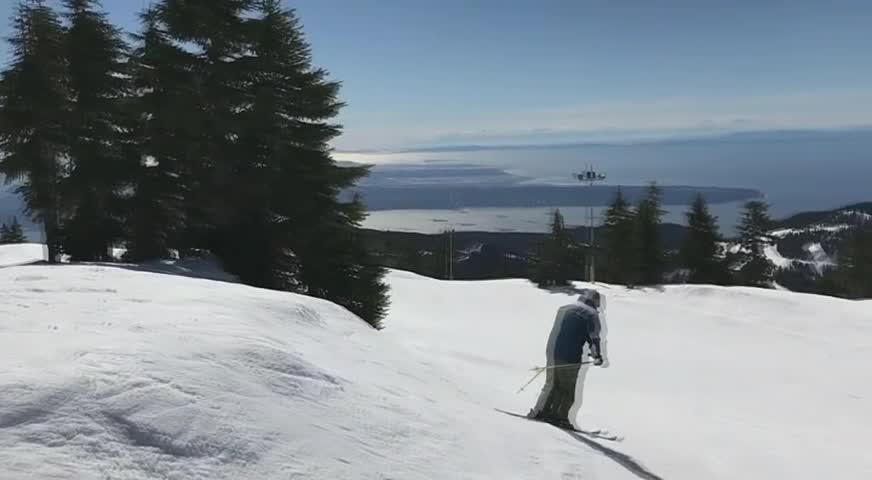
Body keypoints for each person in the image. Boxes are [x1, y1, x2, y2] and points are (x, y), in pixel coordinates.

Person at [527, 289, 605, 429]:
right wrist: (597, 356)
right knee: (567, 388)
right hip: (570, 355)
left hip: (552, 349)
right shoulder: (591, 314)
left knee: (552, 384)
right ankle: (560, 417)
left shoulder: (564, 309)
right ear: (595, 301)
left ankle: (541, 411)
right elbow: (594, 338)